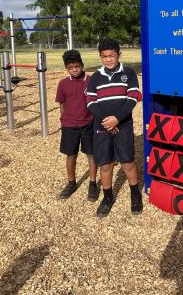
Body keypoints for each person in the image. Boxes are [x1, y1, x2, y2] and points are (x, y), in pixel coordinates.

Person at [85, 39, 143, 217]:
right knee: (106, 163)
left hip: (123, 124)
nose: (109, 59)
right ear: (100, 57)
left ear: (119, 55)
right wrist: (106, 122)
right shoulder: (95, 77)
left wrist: (117, 119)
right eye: (105, 56)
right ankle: (107, 197)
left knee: (127, 161)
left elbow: (132, 98)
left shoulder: (129, 73)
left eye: (112, 55)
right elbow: (90, 102)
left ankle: (135, 193)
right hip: (102, 125)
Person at [55, 49, 98, 201]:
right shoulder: (63, 84)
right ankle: (71, 182)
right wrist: (64, 120)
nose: (74, 70)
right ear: (66, 68)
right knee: (70, 155)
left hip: (88, 124)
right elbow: (62, 103)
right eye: (71, 68)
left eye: (77, 67)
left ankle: (93, 184)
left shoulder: (92, 80)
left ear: (82, 65)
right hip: (70, 126)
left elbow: (97, 101)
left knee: (91, 155)